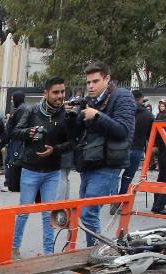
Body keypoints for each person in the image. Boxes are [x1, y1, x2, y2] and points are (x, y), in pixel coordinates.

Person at [10, 77, 76, 257]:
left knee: (49, 214)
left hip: (53, 171)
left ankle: (49, 253)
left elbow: (73, 142)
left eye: (62, 92)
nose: (60, 96)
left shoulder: (67, 114)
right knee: (24, 211)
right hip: (30, 169)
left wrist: (55, 150)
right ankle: (14, 249)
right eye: (55, 92)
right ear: (45, 93)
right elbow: (14, 132)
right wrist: (28, 133)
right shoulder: (32, 111)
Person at [72, 61, 136, 245]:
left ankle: (96, 253)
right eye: (88, 82)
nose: (90, 86)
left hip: (108, 164)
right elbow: (79, 132)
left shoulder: (122, 97)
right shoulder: (90, 101)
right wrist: (73, 116)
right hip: (89, 161)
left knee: (88, 213)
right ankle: (94, 252)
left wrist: (97, 116)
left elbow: (123, 131)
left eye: (95, 81)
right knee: (85, 213)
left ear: (107, 79)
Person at [118, 89, 154, 198]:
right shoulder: (149, 115)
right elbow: (150, 136)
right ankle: (121, 198)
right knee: (128, 176)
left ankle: (113, 198)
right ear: (141, 99)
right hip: (137, 147)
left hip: (121, 146)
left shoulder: (123, 111)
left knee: (114, 174)